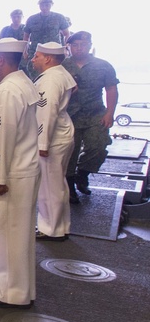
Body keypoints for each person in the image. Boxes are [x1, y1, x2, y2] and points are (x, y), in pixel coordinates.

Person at [0, 38, 40, 309]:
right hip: (24, 167)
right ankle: (18, 287)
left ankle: (11, 293)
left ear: (1, 60)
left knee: (10, 234)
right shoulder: (23, 82)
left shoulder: (6, 92)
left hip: (12, 172)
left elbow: (3, 136)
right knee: (19, 233)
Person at [62, 31, 119, 202]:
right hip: (69, 115)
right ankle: (69, 185)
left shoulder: (103, 66)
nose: (79, 48)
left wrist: (110, 113)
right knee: (68, 153)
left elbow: (111, 89)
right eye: (75, 45)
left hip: (95, 114)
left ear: (90, 46)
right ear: (69, 47)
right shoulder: (62, 66)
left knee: (98, 147)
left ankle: (83, 174)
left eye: (83, 45)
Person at [31, 42, 76, 240]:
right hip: (61, 134)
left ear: (48, 59)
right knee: (58, 184)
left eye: (37, 56)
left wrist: (42, 144)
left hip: (52, 138)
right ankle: (61, 225)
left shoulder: (50, 80)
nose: (33, 60)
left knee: (49, 186)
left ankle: (50, 228)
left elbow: (46, 112)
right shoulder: (60, 73)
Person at [22, 0, 70, 79]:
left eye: (47, 5)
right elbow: (26, 37)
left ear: (51, 5)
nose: (44, 7)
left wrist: (66, 48)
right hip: (35, 53)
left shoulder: (59, 17)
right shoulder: (32, 19)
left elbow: (67, 34)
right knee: (35, 78)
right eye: (42, 5)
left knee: (54, 77)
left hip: (53, 53)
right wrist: (25, 51)